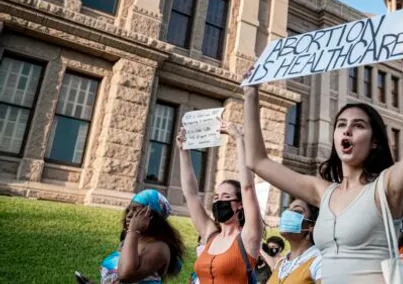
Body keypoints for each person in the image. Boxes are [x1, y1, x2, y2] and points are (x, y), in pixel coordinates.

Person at [244, 26, 403, 283]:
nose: (347, 130)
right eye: (341, 124)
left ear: (374, 141)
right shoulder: (322, 191)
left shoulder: (386, 187)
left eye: (358, 125)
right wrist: (251, 94)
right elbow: (258, 161)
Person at [177, 120, 263, 283]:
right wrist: (183, 151)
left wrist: (239, 140)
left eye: (226, 197)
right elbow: (191, 194)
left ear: (240, 204)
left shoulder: (248, 238)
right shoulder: (210, 235)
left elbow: (247, 188)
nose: (219, 201)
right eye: (216, 197)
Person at [100, 189, 184, 283]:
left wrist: (133, 231)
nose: (129, 215)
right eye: (128, 210)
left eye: (136, 210)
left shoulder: (159, 247)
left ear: (151, 216)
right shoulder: (130, 241)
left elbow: (126, 274)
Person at [267, 199, 323, 283]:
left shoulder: (319, 261)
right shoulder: (281, 263)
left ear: (311, 226)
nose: (287, 214)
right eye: (287, 210)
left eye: (297, 211)